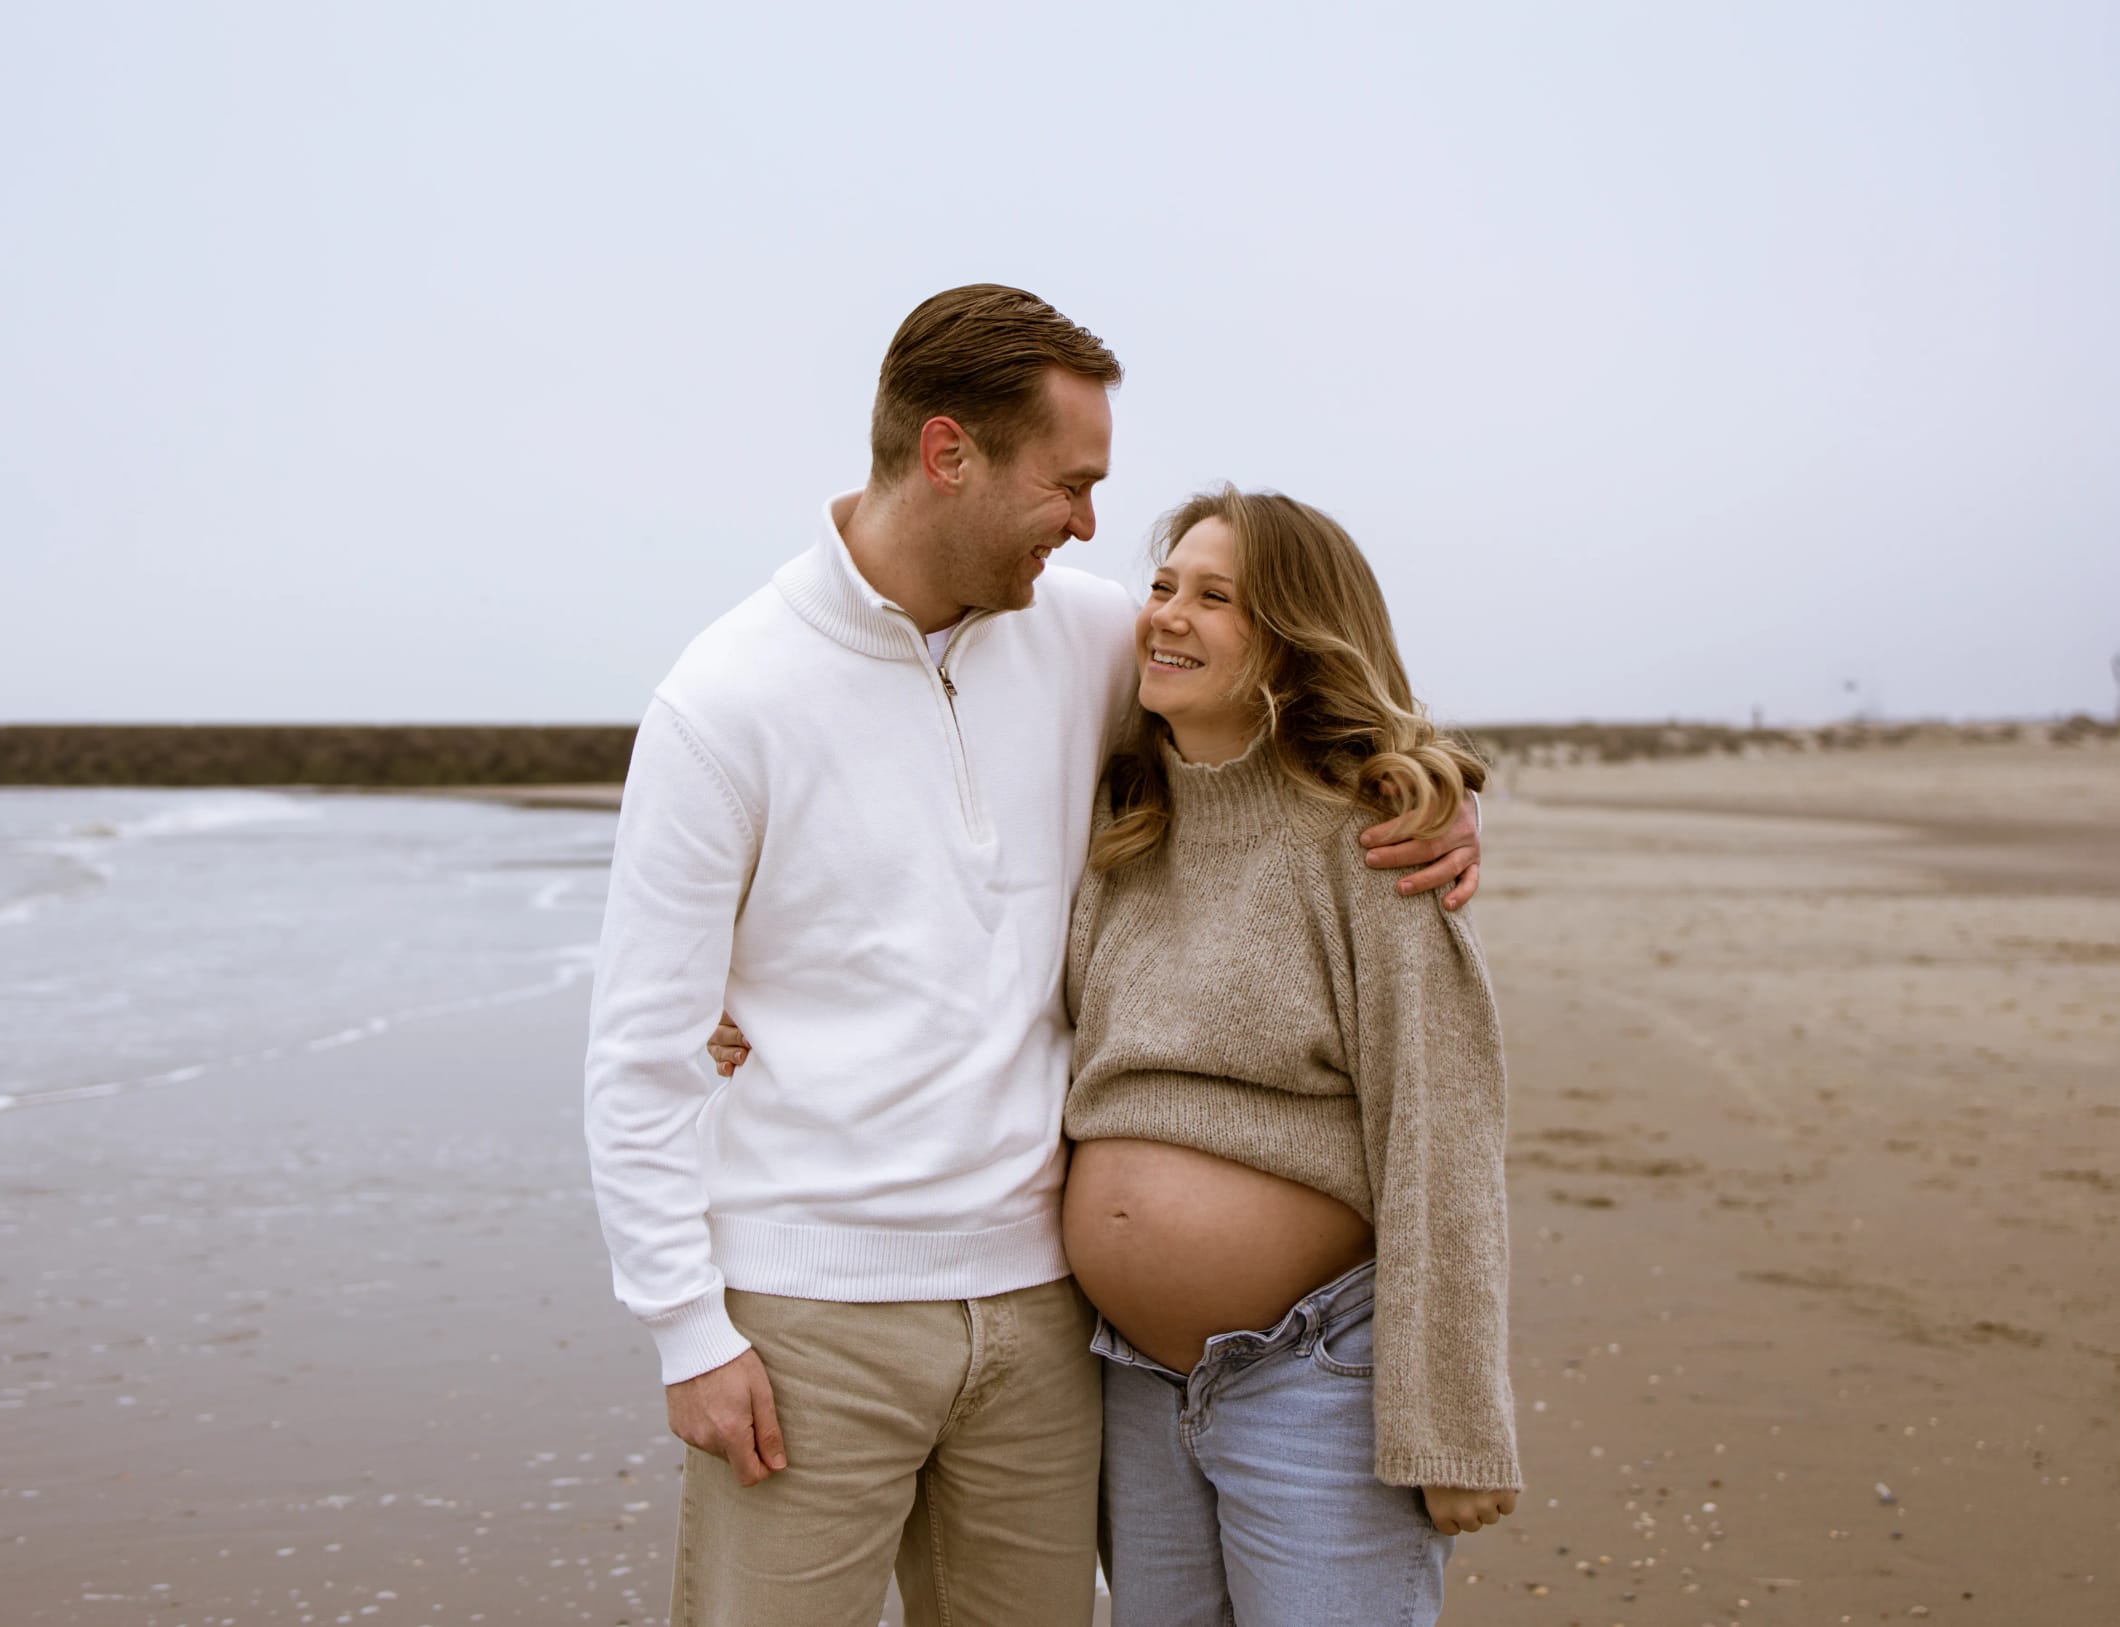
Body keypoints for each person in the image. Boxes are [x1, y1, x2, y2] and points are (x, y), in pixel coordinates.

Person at [583, 285, 1482, 1627]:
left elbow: (1290, 675)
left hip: (1043, 1315)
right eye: (1071, 483)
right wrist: (684, 1327)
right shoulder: (727, 699)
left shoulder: (1084, 635)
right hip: (813, 1311)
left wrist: (1442, 790)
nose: (1091, 526)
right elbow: (641, 1046)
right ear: (950, 453)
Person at [1064, 486, 1517, 1624]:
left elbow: (1440, 1130)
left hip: (1314, 1380)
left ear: (1295, 640)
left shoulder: (1367, 840)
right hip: (1130, 1382)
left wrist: (1453, 1419)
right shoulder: (1115, 829)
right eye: (1162, 585)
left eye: (1217, 598)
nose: (1168, 614)